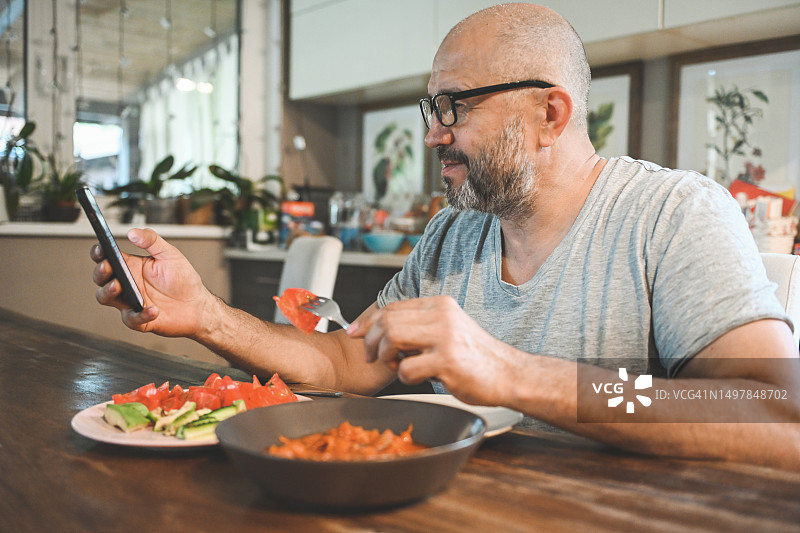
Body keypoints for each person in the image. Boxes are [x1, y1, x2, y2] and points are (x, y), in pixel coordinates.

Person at [91, 3, 799, 469]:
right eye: (432, 107)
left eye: (453, 106)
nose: (432, 133)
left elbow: (775, 413)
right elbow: (345, 364)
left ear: (550, 113)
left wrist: (515, 373)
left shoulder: (675, 216)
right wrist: (202, 312)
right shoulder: (452, 235)